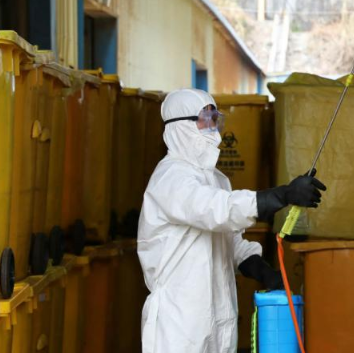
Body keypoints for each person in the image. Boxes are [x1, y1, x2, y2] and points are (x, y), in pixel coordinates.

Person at [138, 89, 327, 353]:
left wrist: (263, 272)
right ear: (181, 126)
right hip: (180, 321)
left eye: (216, 120)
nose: (214, 130)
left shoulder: (216, 179)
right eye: (206, 120)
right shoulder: (171, 178)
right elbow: (217, 209)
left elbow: (229, 240)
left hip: (219, 315)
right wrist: (282, 195)